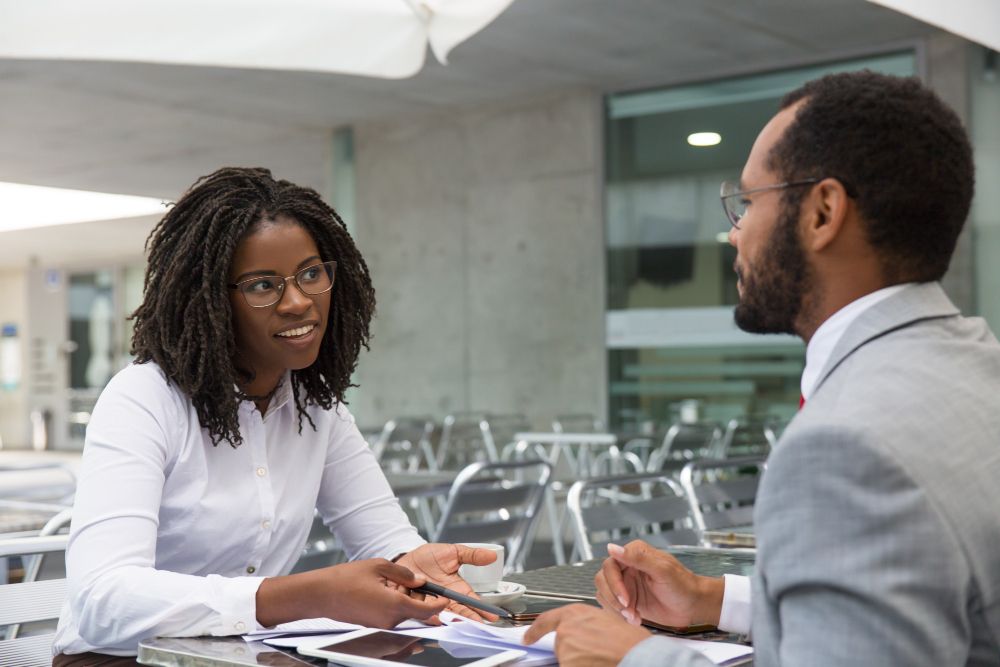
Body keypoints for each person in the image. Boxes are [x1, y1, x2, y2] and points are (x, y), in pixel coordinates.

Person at [525, 71, 1000, 665]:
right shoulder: (979, 367)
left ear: (823, 212)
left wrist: (633, 656)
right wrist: (713, 598)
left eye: (748, 202)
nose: (732, 234)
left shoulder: (846, 446)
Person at [53, 167, 497, 665]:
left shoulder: (316, 406)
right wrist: (300, 595)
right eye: (264, 285)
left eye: (311, 273)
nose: (299, 301)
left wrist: (411, 564)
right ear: (207, 302)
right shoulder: (144, 399)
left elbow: (384, 538)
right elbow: (102, 600)